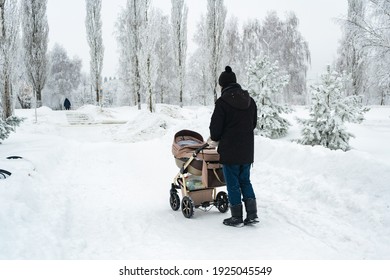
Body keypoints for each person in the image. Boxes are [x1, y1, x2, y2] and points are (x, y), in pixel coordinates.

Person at [208, 66, 258, 227]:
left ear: (222, 85)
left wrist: (215, 139)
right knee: (245, 181)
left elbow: (215, 129)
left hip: (230, 151)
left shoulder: (222, 103)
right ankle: (252, 215)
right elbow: (253, 124)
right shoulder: (250, 101)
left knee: (233, 184)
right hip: (247, 150)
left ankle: (236, 217)